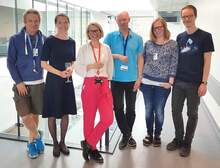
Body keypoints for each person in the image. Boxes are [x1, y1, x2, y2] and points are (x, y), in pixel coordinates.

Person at [166, 5, 214, 157]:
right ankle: (179, 138)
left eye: (189, 16)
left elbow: (207, 60)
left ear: (195, 16)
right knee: (175, 111)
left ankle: (187, 143)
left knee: (192, 114)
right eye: (184, 16)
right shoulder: (180, 37)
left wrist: (204, 83)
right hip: (179, 82)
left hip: (195, 83)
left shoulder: (205, 36)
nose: (187, 19)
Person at [7, 9, 45, 159]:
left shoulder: (44, 39)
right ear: (25, 22)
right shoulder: (15, 39)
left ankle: (31, 143)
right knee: (25, 116)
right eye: (30, 20)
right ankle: (37, 135)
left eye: (36, 20)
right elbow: (10, 63)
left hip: (38, 83)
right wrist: (19, 82)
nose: (34, 23)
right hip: (21, 85)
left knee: (34, 114)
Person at [104, 11, 143, 150]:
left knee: (131, 109)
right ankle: (127, 134)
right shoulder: (110, 37)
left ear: (129, 20)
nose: (122, 22)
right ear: (116, 21)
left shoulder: (138, 38)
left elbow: (140, 59)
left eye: (125, 19)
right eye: (120, 20)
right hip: (116, 79)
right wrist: (119, 56)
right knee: (118, 107)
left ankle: (126, 135)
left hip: (132, 79)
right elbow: (104, 54)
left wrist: (139, 78)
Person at [75, 22, 114, 164]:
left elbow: (110, 66)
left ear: (100, 31)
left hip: (104, 84)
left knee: (108, 118)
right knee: (89, 118)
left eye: (96, 30)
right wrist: (90, 66)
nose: (94, 33)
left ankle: (88, 142)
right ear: (88, 33)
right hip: (90, 84)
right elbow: (77, 68)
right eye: (91, 31)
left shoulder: (106, 48)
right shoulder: (84, 49)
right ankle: (92, 149)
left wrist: (108, 82)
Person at [41, 13, 77, 157]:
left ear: (68, 23)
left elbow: (73, 61)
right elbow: (43, 64)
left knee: (65, 112)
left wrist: (70, 69)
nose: (63, 25)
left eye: (66, 22)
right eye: (60, 22)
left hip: (67, 80)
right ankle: (55, 143)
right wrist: (59, 73)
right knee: (52, 113)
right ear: (56, 24)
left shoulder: (72, 42)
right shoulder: (49, 41)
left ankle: (63, 142)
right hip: (54, 80)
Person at [140, 17, 178, 147]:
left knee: (159, 110)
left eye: (160, 27)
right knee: (148, 110)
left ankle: (157, 135)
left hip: (163, 84)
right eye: (155, 28)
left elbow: (174, 63)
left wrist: (170, 83)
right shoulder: (148, 43)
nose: (158, 30)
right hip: (146, 82)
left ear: (164, 27)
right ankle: (149, 134)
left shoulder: (172, 44)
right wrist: (140, 79)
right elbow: (142, 61)